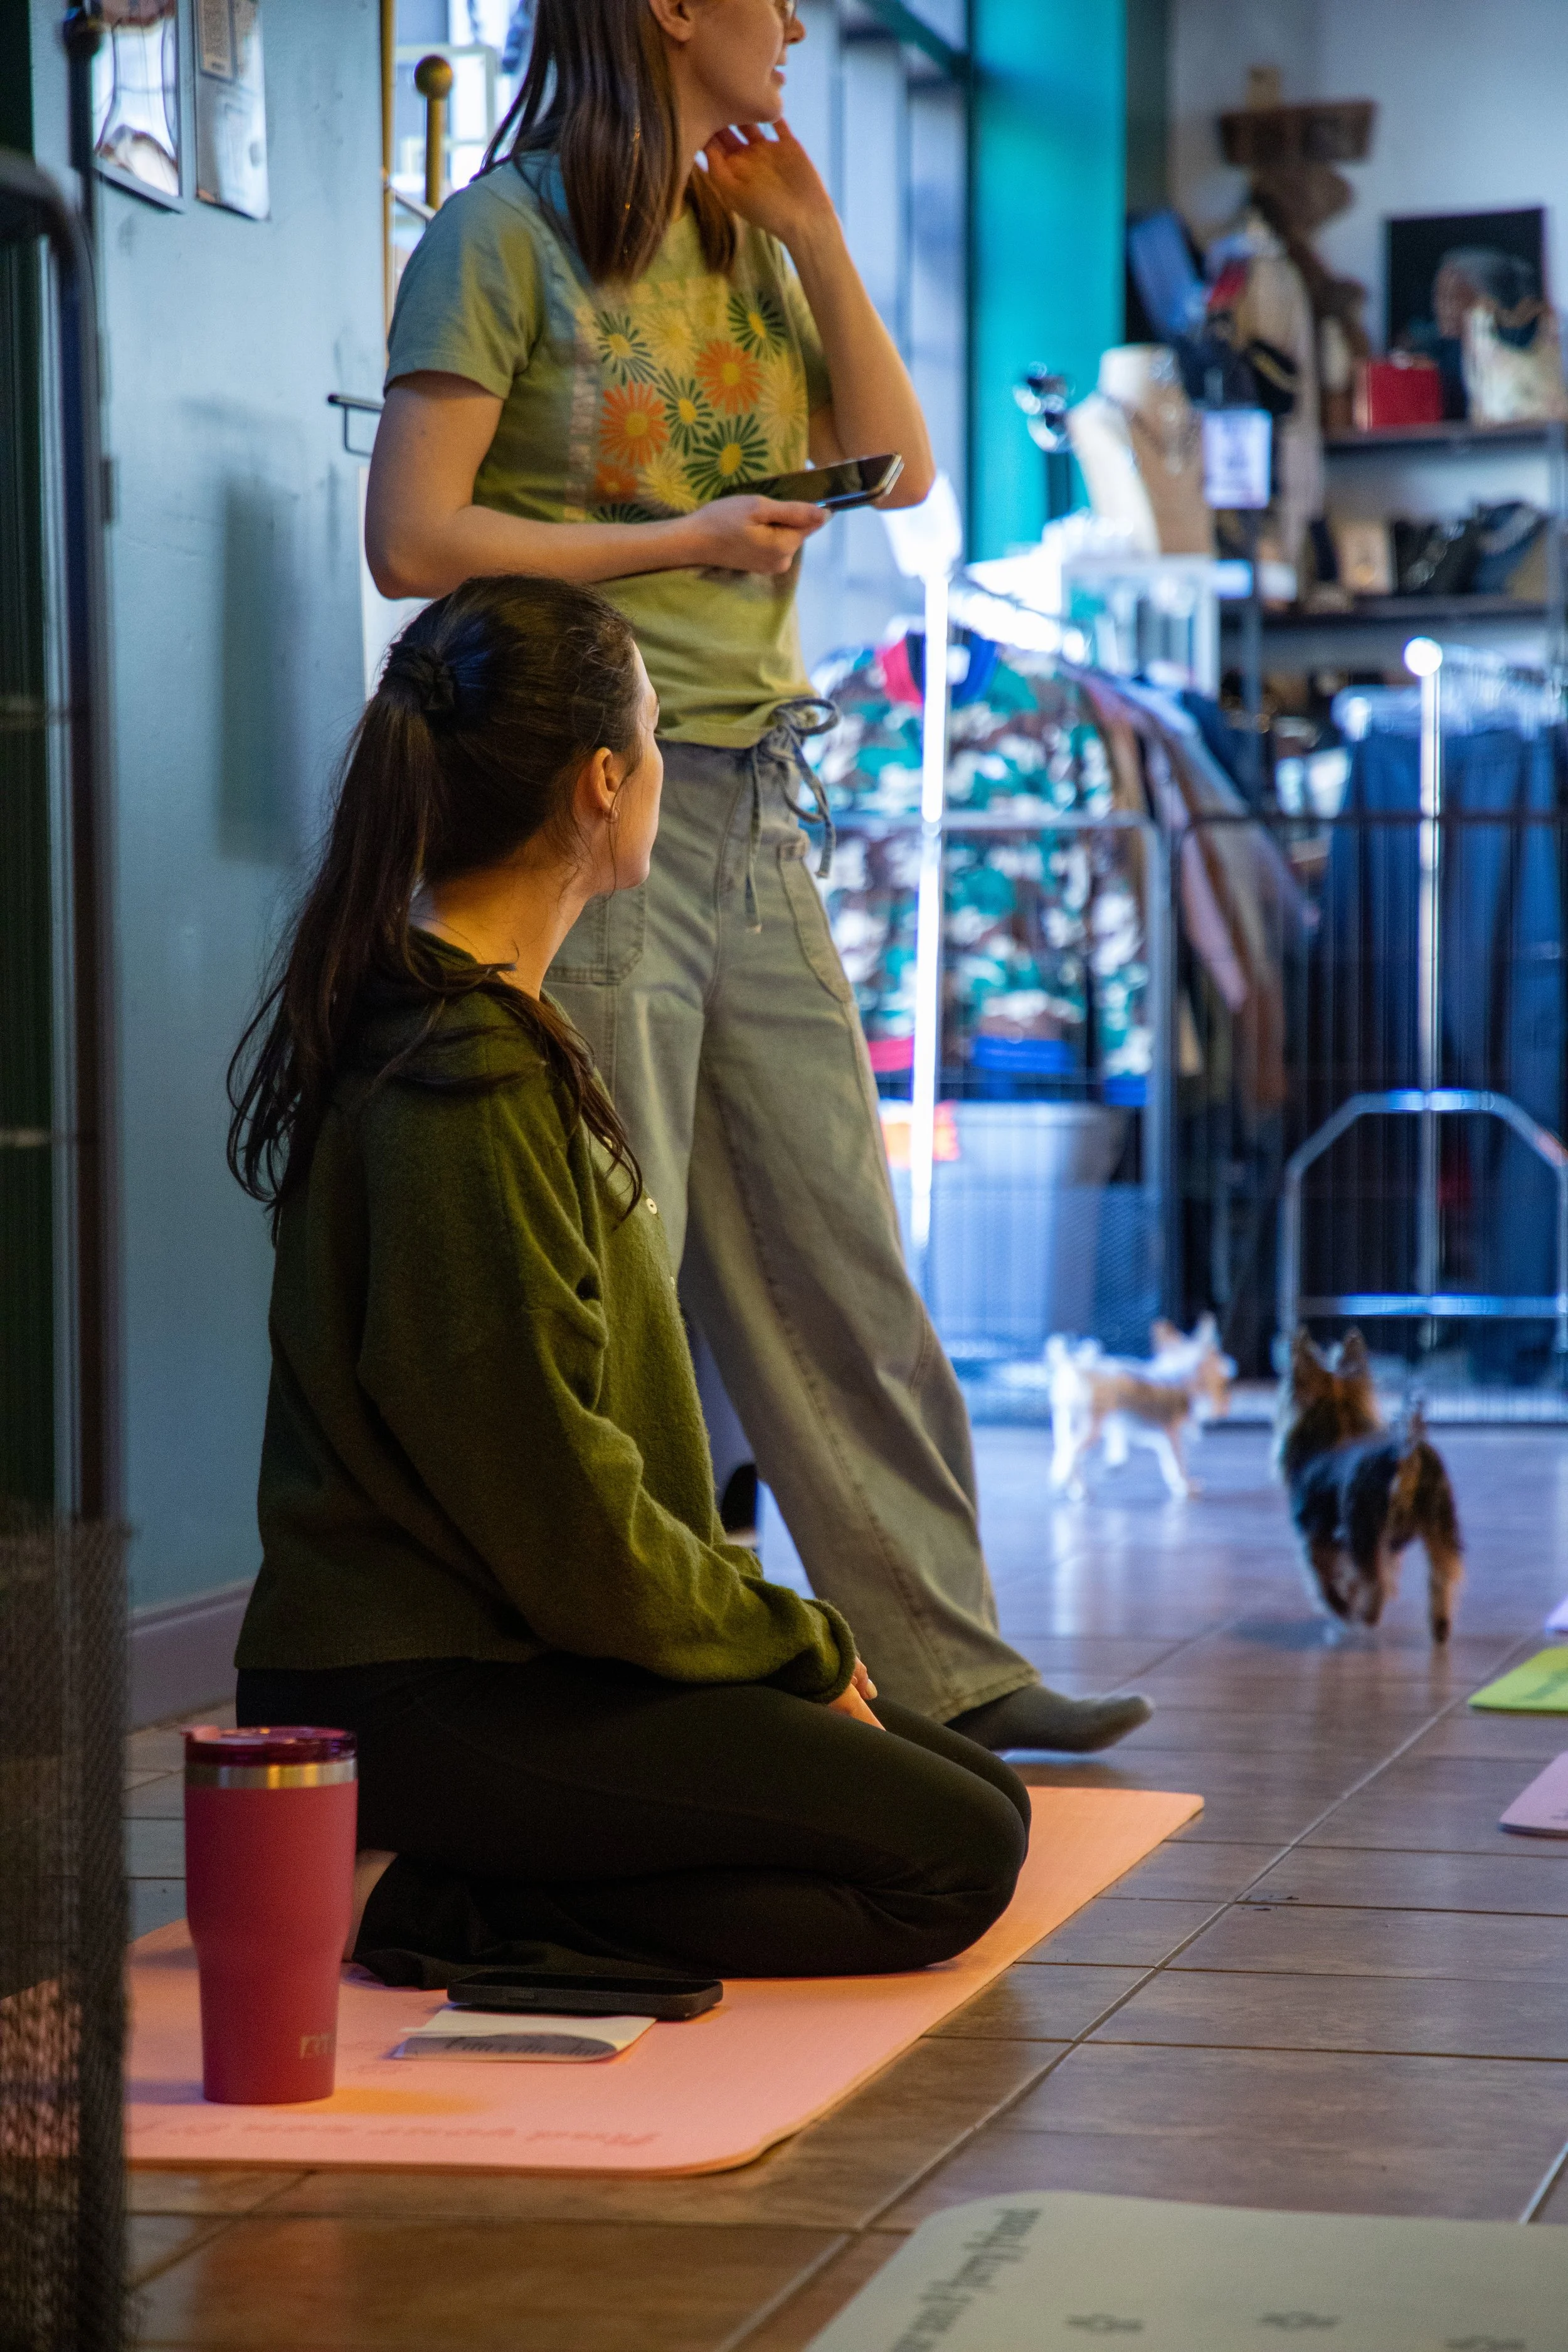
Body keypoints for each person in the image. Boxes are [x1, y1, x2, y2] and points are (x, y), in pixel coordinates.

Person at [364, 0, 1150, 1756]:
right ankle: (631, 1676)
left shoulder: (755, 238)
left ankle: (942, 1658)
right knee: (613, 1265)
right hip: (579, 808)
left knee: (832, 1239)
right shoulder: (501, 236)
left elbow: (896, 468)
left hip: (748, 788)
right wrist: (685, 538)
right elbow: (410, 536)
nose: (796, 19)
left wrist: (816, 237)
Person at [226, 576, 1029, 1980]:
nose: (666, 769)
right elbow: (566, 1515)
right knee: (945, 1863)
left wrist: (773, 1649)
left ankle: (511, 1871)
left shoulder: (485, 1030)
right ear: (603, 784)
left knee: (984, 1804)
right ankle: (455, 1906)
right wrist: (789, 1641)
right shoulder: (459, 1081)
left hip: (521, 1643)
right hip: (419, 1690)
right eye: (661, 738)